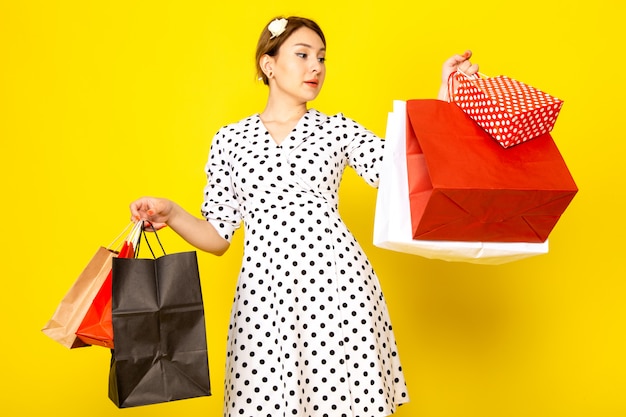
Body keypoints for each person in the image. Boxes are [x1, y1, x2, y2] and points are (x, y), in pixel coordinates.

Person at [130, 16, 478, 417]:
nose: (316, 66)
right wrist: (171, 212)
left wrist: (443, 98)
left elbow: (401, 168)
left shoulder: (336, 130)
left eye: (322, 58)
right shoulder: (230, 140)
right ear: (268, 64)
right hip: (264, 297)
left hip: (338, 288)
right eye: (303, 55)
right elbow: (218, 237)